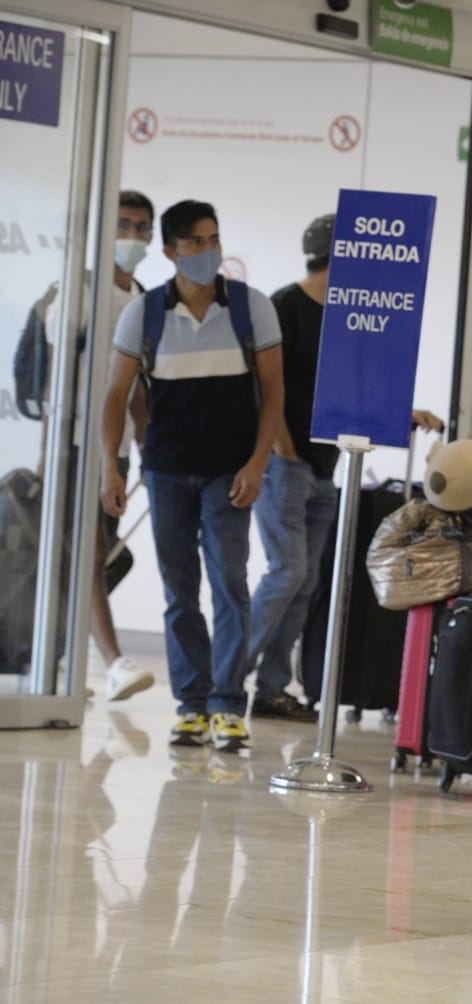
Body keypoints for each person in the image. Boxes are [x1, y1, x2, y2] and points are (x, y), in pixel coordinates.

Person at [101, 199, 284, 752]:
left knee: (230, 585)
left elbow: (274, 393)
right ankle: (191, 706)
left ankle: (228, 705)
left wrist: (258, 462)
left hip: (229, 473)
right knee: (180, 592)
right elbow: (117, 395)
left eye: (214, 239)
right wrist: (112, 466)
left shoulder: (252, 309)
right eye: (196, 243)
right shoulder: (146, 313)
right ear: (171, 251)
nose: (208, 252)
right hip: (166, 472)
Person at [254, 214, 443, 718]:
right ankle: (222, 683)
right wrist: (283, 449)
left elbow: (350, 391)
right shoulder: (285, 307)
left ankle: (271, 688)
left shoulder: (348, 315)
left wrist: (404, 414)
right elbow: (265, 388)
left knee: (305, 584)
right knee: (285, 574)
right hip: (284, 466)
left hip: (323, 469)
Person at [42, 191, 158, 702]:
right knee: (86, 555)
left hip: (119, 452)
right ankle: (114, 663)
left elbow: (139, 392)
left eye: (141, 227)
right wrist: (50, 453)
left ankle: (55, 663)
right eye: (124, 225)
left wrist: (146, 454)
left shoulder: (143, 298)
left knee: (92, 558)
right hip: (72, 448)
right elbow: (53, 379)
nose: (132, 236)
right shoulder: (80, 291)